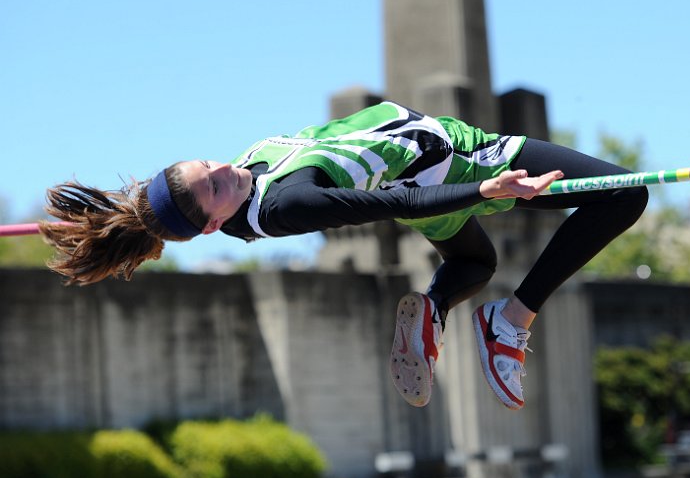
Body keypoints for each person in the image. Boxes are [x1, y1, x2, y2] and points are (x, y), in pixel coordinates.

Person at [41, 101, 648, 410]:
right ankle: (509, 322)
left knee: (474, 265)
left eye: (209, 165)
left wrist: (119, 216)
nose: (225, 168)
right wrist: (485, 188)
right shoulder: (288, 206)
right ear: (215, 223)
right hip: (461, 163)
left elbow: (161, 212)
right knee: (625, 194)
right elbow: (396, 202)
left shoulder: (232, 201)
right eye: (217, 185)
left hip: (436, 169)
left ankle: (437, 310)